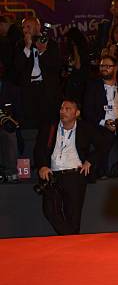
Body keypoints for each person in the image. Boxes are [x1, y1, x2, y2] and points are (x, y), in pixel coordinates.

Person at [33, 98, 97, 234]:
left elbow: (106, 141)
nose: (63, 111)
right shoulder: (50, 127)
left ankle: (71, 247)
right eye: (62, 108)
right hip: (52, 175)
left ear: (77, 113)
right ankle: (71, 239)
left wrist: (90, 161)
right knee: (49, 210)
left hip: (75, 175)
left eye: (68, 109)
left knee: (73, 216)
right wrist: (42, 166)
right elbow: (39, 148)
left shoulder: (85, 128)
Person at [83, 54, 118, 177]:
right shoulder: (93, 86)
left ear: (116, 68)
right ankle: (103, 173)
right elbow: (87, 111)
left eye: (108, 66)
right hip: (101, 124)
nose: (104, 69)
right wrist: (103, 122)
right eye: (102, 66)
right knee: (104, 137)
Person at [14, 17, 62, 128]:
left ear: (38, 27)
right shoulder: (20, 45)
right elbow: (17, 67)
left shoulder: (51, 44)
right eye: (23, 27)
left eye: (28, 27)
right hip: (28, 90)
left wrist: (43, 51)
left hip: (46, 90)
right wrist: (27, 47)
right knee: (30, 124)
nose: (25, 30)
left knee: (47, 124)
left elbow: (56, 66)